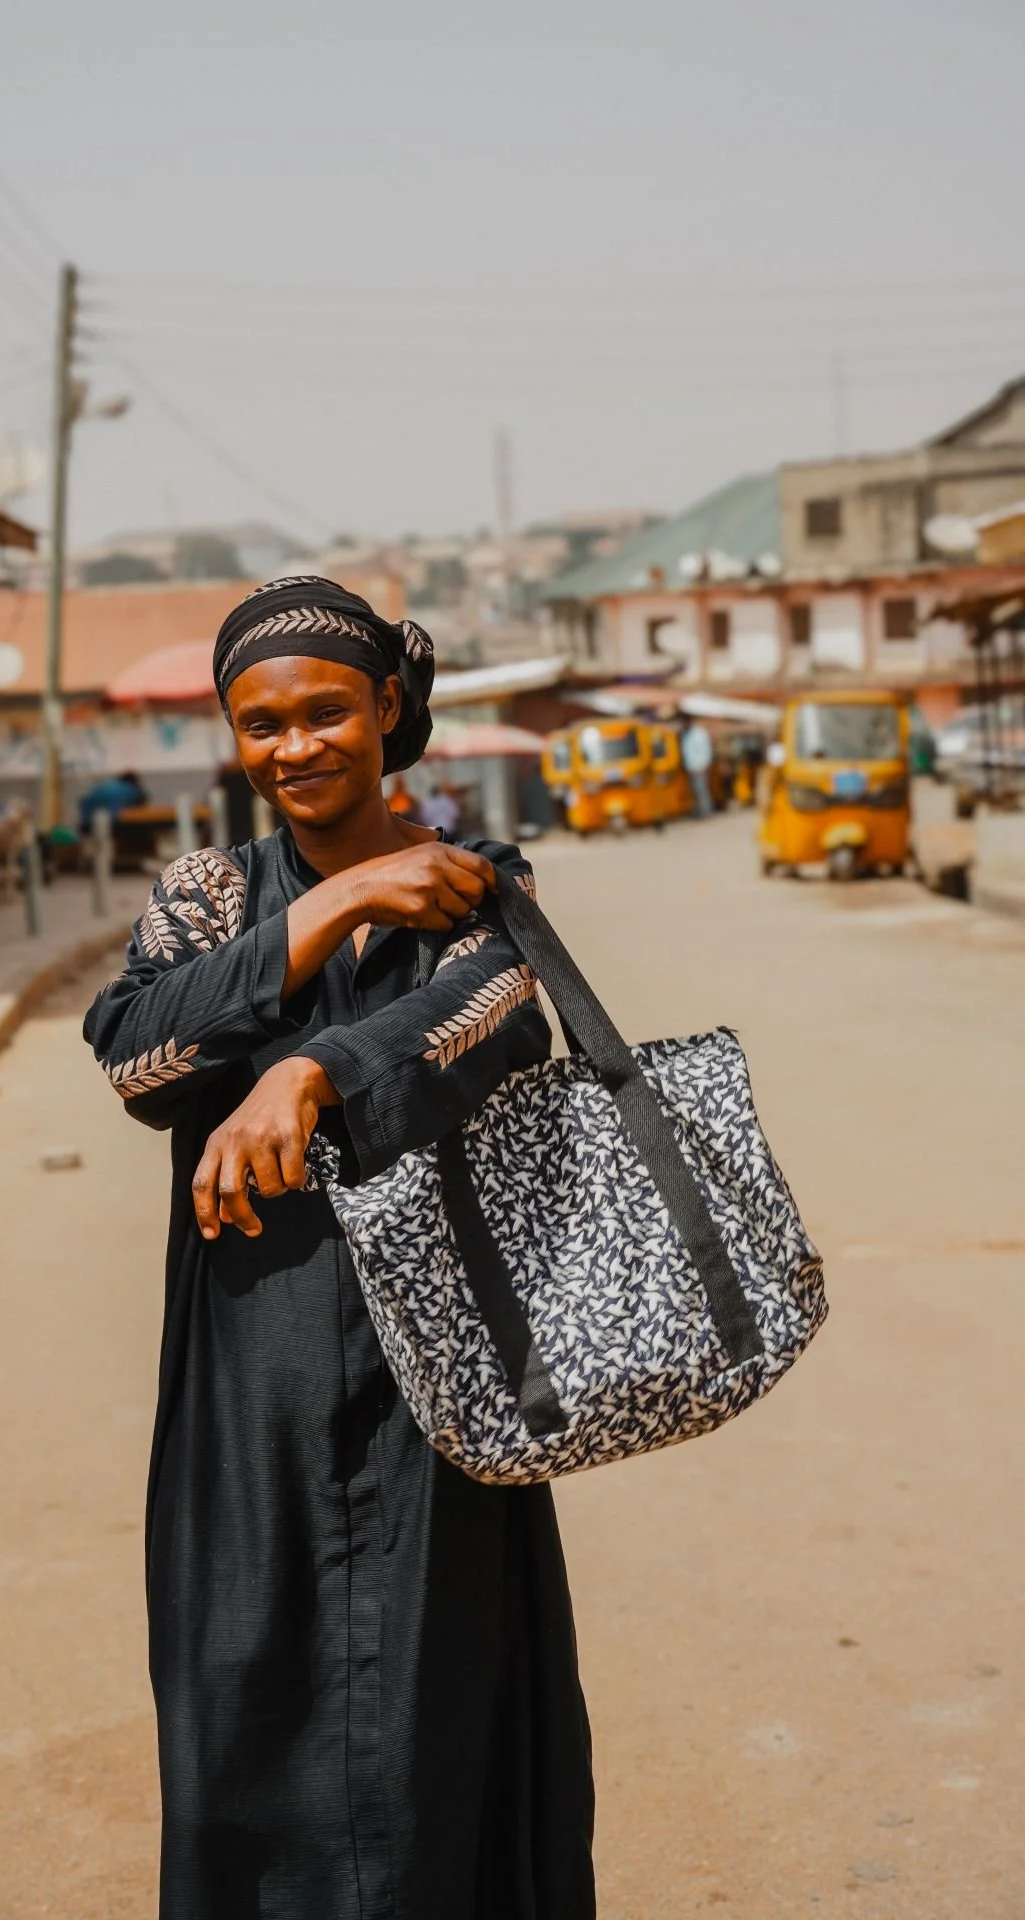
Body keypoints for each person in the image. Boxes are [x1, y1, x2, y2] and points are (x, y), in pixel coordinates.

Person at [84, 576, 595, 1920]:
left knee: (431, 1729)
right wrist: (346, 898)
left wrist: (310, 1071)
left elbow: (488, 1021)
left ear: (385, 707)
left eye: (324, 713)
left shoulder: (479, 889)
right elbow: (140, 1057)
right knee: (241, 1699)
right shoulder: (209, 893)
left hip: (433, 1384)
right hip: (247, 1373)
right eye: (261, 724)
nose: (293, 746)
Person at [76, 768, 148, 835]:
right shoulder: (130, 790)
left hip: (87, 815)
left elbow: (85, 801)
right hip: (110, 819)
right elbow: (141, 800)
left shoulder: (110, 785)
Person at [681, 719, 715, 817]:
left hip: (699, 767)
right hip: (690, 767)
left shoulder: (699, 734)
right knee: (695, 791)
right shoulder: (685, 734)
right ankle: (700, 810)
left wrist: (704, 765)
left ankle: (706, 811)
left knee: (701, 790)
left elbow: (705, 750)